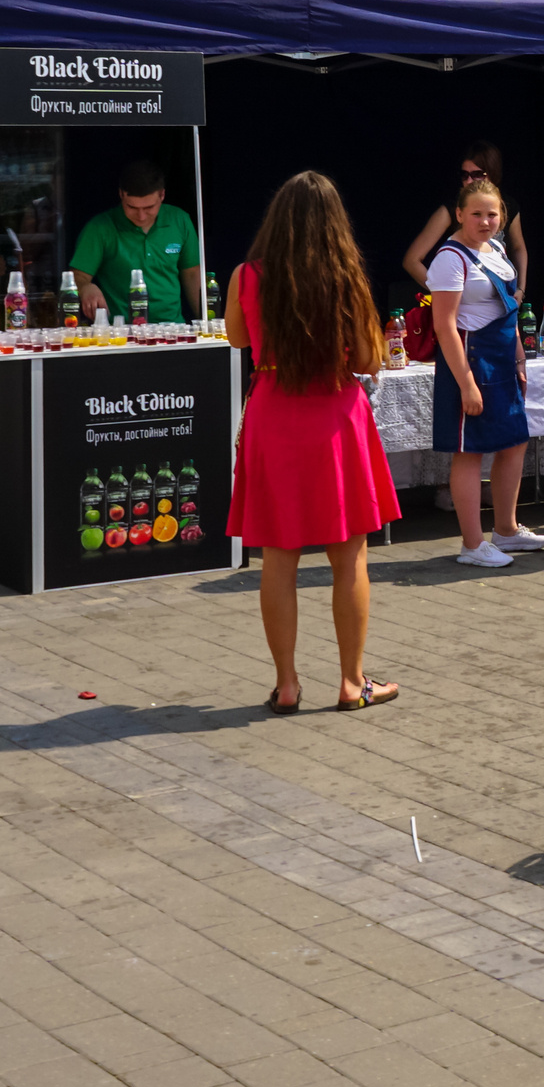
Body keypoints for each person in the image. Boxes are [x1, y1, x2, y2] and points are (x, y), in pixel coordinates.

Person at [224, 171, 401, 712]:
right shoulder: (346, 278)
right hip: (335, 417)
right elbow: (370, 361)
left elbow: (236, 339)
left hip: (273, 412)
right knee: (349, 556)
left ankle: (287, 684)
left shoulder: (246, 276)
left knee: (278, 558)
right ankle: (352, 682)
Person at [428, 176, 544, 568]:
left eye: (492, 214)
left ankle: (507, 530)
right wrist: (466, 383)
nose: (485, 221)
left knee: (514, 442)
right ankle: (472, 544)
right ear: (460, 215)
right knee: (470, 452)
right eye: (476, 214)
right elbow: (444, 325)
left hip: (501, 360)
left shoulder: (496, 249)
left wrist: (518, 357)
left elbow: (506, 311)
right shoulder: (450, 258)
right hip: (472, 362)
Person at [70, 160, 203, 324]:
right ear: (121, 195)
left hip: (172, 329)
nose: (141, 216)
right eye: (132, 207)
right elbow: (77, 276)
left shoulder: (179, 220)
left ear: (162, 195)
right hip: (120, 333)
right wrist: (85, 288)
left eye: (149, 208)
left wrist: (206, 322)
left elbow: (192, 274)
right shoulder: (99, 228)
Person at [406, 141, 530, 296]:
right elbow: (412, 261)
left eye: (477, 175)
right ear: (460, 214)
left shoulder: (510, 205)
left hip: (500, 301)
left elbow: (518, 248)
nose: (469, 181)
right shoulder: (449, 210)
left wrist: (520, 289)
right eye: (464, 175)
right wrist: (446, 292)